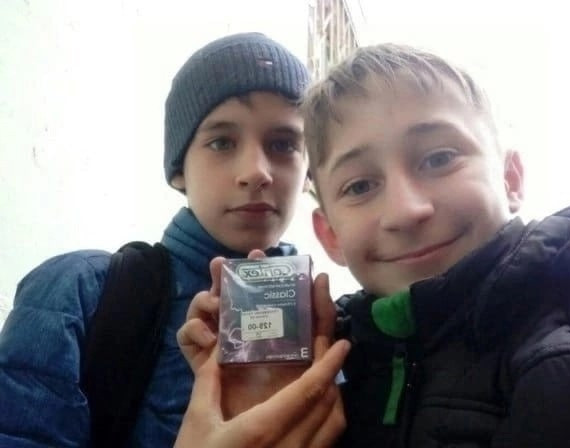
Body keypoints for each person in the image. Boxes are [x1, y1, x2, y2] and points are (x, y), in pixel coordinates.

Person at [179, 42, 570, 447]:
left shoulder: (562, 371)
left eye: (439, 158)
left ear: (510, 178)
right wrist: (266, 405)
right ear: (330, 235)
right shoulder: (347, 356)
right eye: (360, 186)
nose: (405, 211)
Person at [0, 32, 347, 447]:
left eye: (283, 144)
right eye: (222, 142)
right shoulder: (78, 292)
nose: (256, 171)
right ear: (179, 168)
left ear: (308, 170)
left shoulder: (331, 319)